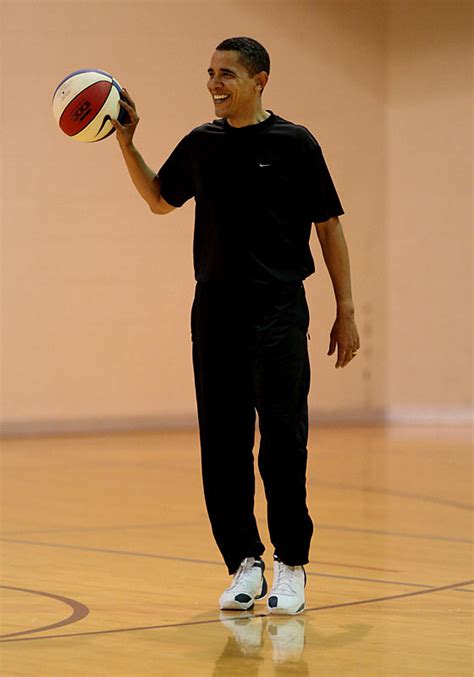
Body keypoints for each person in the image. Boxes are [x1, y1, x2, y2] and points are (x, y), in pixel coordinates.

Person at [111, 36, 360, 616]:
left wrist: (345, 309)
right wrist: (127, 143)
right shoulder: (202, 143)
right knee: (223, 444)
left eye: (226, 74)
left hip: (278, 309)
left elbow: (328, 227)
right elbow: (160, 200)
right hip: (215, 311)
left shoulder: (295, 143)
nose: (214, 84)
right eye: (210, 73)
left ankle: (291, 564)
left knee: (283, 440)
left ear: (259, 80)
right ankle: (244, 562)